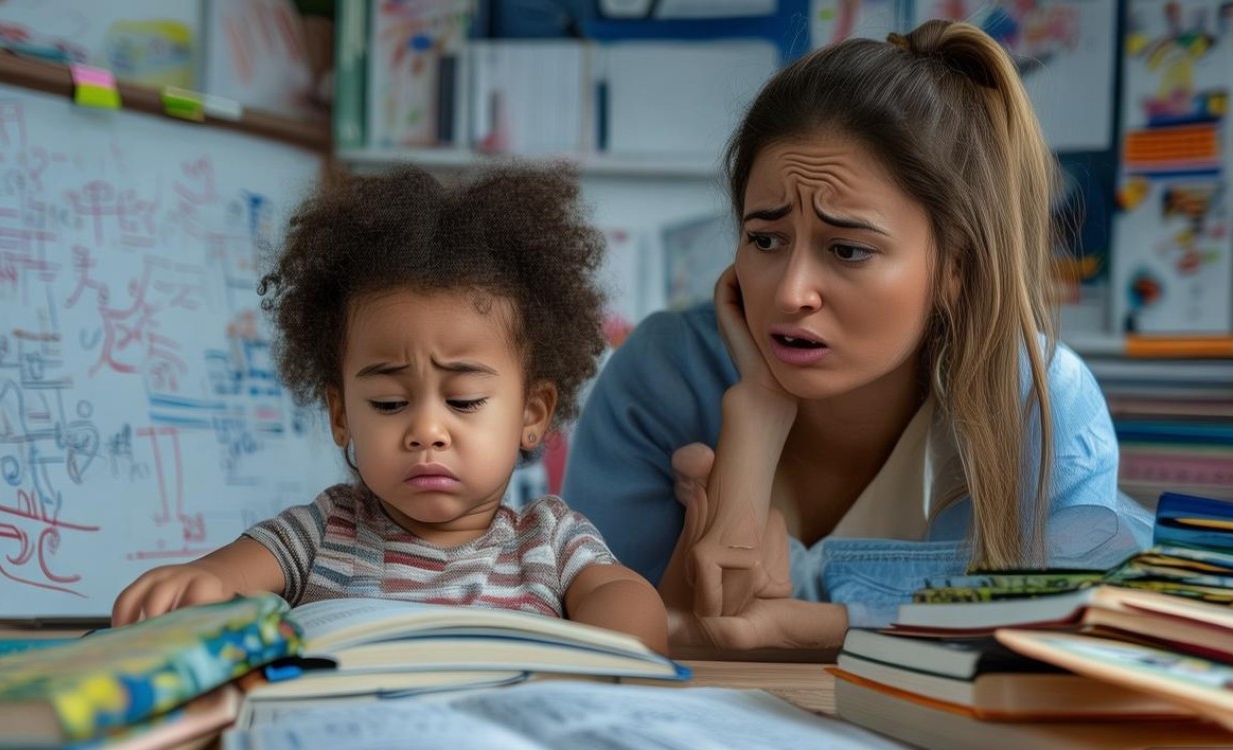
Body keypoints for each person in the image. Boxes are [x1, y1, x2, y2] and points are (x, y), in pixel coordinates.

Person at [561, 19, 1153, 650]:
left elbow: (1075, 621)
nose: (791, 292)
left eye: (847, 250)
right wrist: (754, 420)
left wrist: (810, 625)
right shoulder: (662, 375)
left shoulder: (1037, 394)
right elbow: (613, 641)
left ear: (957, 268)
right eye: (765, 239)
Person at [113, 164, 668, 653]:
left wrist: (608, 642)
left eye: (464, 400)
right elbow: (225, 575)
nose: (426, 430)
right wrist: (199, 584)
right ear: (341, 416)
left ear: (532, 414)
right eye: (389, 402)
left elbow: (624, 598)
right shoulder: (323, 532)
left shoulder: (549, 540)